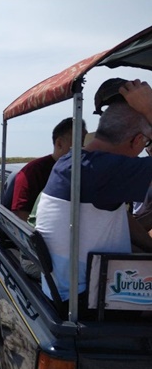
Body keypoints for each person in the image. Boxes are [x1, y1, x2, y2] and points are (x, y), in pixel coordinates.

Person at [35, 79, 152, 304]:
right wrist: (148, 109)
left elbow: (120, 218)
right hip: (87, 299)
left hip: (69, 289)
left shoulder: (75, 161)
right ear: (137, 140)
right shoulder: (102, 171)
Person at [11, 118, 87, 222]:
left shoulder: (85, 170)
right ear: (59, 143)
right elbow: (20, 216)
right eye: (81, 141)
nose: (85, 147)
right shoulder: (32, 172)